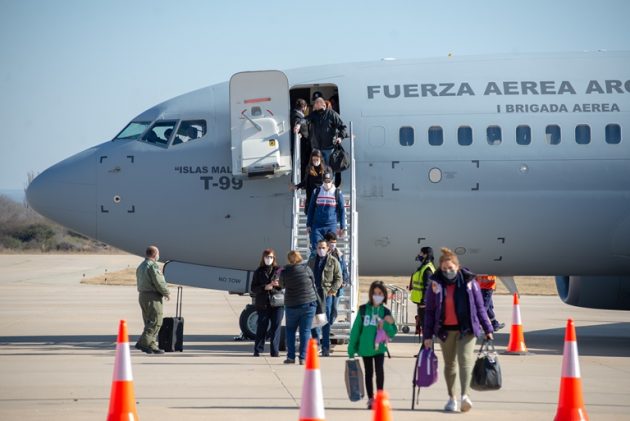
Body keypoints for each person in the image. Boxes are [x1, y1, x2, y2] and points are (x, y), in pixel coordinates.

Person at [423, 247, 494, 413]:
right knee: (450, 365)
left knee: (464, 360)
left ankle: (465, 396)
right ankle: (452, 398)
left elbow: (479, 307)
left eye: (451, 268)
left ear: (458, 267)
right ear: (440, 268)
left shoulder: (470, 283)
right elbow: (430, 311)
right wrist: (427, 335)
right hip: (445, 330)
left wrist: (487, 327)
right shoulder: (435, 284)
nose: (448, 271)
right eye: (444, 269)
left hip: (466, 329)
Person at [348, 280, 397, 409]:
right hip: (365, 347)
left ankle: (380, 396)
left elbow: (393, 332)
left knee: (379, 371)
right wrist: (351, 348)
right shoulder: (363, 310)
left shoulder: (385, 312)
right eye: (375, 293)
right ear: (370, 294)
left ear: (384, 295)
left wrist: (385, 324)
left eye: (380, 293)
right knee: (369, 373)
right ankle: (371, 399)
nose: (377, 296)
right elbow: (356, 330)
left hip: (379, 348)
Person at [279, 250, 318, 365]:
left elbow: (281, 285)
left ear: (289, 259)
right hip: (308, 303)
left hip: (292, 304)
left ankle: (291, 357)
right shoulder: (306, 269)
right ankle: (303, 358)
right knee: (305, 331)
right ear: (300, 258)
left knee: (290, 331)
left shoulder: (285, 271)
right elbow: (313, 282)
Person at [307, 240, 342, 356]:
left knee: (325, 321)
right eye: (319, 248)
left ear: (327, 248)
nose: (321, 250)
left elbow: (339, 278)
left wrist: (333, 289)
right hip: (313, 293)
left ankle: (326, 347)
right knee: (314, 320)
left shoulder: (333, 261)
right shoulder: (311, 261)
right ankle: (316, 345)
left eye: (323, 247)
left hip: (326, 294)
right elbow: (306, 276)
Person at [135, 245, 170, 354]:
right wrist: (166, 292)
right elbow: (158, 282)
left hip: (142, 296)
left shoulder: (141, 266)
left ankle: (152, 345)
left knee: (148, 322)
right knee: (156, 321)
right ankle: (143, 343)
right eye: (158, 253)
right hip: (152, 297)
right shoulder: (152, 266)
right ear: (154, 254)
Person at [305, 97, 347, 185]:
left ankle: (330, 187)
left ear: (323, 104)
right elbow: (306, 119)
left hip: (329, 148)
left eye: (316, 104)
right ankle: (320, 188)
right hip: (317, 148)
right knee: (318, 169)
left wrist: (340, 137)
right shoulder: (314, 114)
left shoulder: (332, 114)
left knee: (329, 169)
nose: (315, 106)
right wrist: (298, 124)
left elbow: (343, 127)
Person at [250, 249, 284, 357]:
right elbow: (253, 288)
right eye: (266, 257)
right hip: (263, 303)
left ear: (274, 258)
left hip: (277, 303)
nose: (268, 259)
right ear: (263, 258)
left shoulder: (279, 270)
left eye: (270, 257)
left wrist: (278, 285)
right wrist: (264, 287)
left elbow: (286, 284)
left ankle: (274, 351)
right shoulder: (258, 271)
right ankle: (258, 350)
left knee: (276, 326)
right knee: (262, 326)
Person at [306, 171, 346, 251]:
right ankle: (316, 262)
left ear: (332, 180)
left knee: (331, 249)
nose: (327, 183)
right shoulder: (317, 191)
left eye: (329, 181)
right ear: (322, 181)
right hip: (317, 226)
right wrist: (308, 224)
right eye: (325, 181)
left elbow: (342, 210)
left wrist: (343, 226)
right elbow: (311, 208)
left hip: (331, 225)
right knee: (316, 248)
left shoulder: (337, 192)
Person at [292, 149, 329, 215]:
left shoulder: (326, 169)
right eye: (313, 160)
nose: (315, 162)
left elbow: (329, 183)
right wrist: (297, 186)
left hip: (322, 197)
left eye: (317, 160)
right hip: (312, 197)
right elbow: (305, 181)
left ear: (320, 159)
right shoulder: (309, 169)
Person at [408, 246, 435, 338]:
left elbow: (427, 287)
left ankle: (427, 351)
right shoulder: (423, 266)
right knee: (424, 328)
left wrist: (424, 302)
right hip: (420, 302)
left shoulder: (427, 269)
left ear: (425, 254)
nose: (419, 255)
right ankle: (424, 351)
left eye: (421, 253)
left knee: (426, 328)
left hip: (424, 304)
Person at [324, 231, 350, 325]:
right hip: (326, 286)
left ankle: (329, 326)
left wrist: (345, 280)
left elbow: (344, 269)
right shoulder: (322, 254)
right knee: (326, 308)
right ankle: (325, 328)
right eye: (331, 242)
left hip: (337, 286)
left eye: (334, 242)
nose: (333, 244)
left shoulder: (339, 254)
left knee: (334, 309)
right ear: (326, 242)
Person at [290, 98, 311, 177]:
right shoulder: (297, 116)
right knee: (302, 161)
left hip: (302, 142)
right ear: (304, 107)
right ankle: (302, 179)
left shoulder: (295, 113)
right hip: (301, 143)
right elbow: (297, 128)